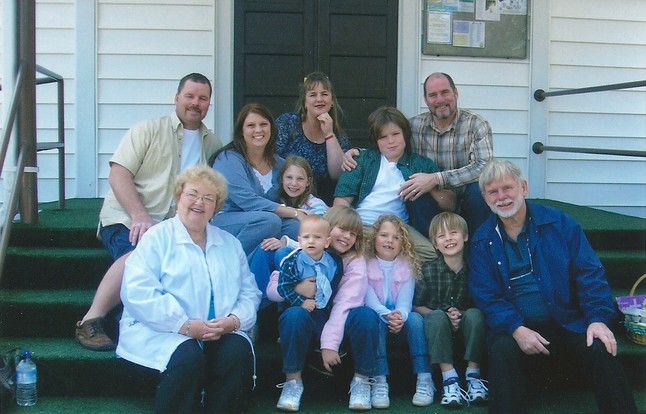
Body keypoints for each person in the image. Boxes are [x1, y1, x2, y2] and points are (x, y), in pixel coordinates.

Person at [468, 159, 637, 414]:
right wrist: (515, 327)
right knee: (501, 350)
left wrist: (597, 318)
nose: (501, 197)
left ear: (523, 187)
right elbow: (486, 295)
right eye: (493, 192)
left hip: (566, 320)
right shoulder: (482, 241)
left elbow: (589, 273)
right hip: (518, 325)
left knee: (600, 344)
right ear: (485, 198)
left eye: (507, 188)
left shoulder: (559, 224)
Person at [75, 73, 223, 351]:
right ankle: (90, 320)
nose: (195, 103)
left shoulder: (212, 144)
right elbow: (118, 174)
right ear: (176, 98)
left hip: (173, 227)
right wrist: (139, 215)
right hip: (128, 218)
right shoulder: (148, 130)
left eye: (202, 98)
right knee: (137, 257)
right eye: (189, 96)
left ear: (209, 104)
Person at [116, 165, 261, 413]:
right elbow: (137, 292)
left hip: (218, 331)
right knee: (187, 356)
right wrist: (184, 325)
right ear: (178, 197)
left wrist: (233, 321)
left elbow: (249, 293)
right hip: (163, 331)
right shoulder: (156, 238)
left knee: (236, 351)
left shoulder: (229, 244)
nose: (199, 203)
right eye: (192, 194)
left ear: (216, 208)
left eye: (208, 198)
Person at [343, 72, 493, 236]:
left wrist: (436, 179)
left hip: (466, 197)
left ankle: (478, 248)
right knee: (416, 197)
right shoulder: (414, 126)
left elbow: (483, 167)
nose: (440, 100)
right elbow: (391, 143)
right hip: (433, 200)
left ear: (455, 93)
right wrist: (358, 153)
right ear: (426, 99)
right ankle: (432, 252)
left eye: (445, 92)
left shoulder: (476, 124)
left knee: (479, 191)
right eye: (433, 95)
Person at [272, 205, 380, 411]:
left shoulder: (355, 262)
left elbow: (344, 305)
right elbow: (275, 285)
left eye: (353, 234)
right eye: (342, 228)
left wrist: (329, 345)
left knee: (366, 315)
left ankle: (361, 382)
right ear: (328, 228)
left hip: (338, 326)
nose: (347, 237)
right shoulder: (305, 248)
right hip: (311, 320)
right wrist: (299, 288)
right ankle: (293, 383)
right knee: (294, 314)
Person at [334, 106, 455, 263]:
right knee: (354, 256)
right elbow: (342, 200)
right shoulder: (363, 159)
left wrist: (431, 184)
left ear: (405, 134)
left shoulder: (420, 164)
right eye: (383, 137)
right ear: (376, 141)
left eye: (396, 134)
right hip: (364, 223)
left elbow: (450, 204)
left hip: (397, 229)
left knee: (430, 253)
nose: (390, 141)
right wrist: (345, 226)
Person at [413, 212, 487, 407]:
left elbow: (483, 302)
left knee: (476, 314)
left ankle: (473, 376)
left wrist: (460, 314)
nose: (448, 239)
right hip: (438, 327)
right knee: (436, 316)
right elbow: (416, 305)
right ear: (435, 244)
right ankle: (449, 379)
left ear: (465, 236)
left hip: (468, 324)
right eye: (441, 236)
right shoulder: (427, 270)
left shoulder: (476, 269)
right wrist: (445, 316)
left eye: (453, 233)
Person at [363, 214, 433, 409]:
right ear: (374, 238)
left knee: (416, 319)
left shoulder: (407, 266)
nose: (389, 241)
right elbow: (369, 300)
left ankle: (424, 378)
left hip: (400, 324)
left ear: (403, 243)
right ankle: (379, 380)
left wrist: (400, 316)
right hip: (379, 320)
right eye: (384, 235)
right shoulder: (365, 264)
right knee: (373, 319)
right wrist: (386, 315)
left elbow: (405, 302)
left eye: (396, 237)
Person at [211, 103, 300, 254]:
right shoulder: (228, 159)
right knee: (268, 221)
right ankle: (230, 263)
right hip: (226, 220)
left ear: (271, 128)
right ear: (241, 131)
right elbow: (247, 200)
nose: (258, 130)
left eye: (263, 124)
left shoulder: (280, 164)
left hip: (265, 222)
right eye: (251, 125)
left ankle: (271, 272)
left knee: (294, 226)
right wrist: (294, 212)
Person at [248, 156, 328, 305]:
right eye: (289, 177)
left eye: (300, 179)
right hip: (287, 251)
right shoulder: (277, 202)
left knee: (280, 252)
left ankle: (275, 305)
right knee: (263, 248)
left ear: (308, 182)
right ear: (281, 179)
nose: (293, 183)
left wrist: (285, 243)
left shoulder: (315, 206)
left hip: (309, 258)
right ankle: (256, 304)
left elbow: (318, 243)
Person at [275, 71, 350, 205]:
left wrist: (329, 134)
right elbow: (270, 158)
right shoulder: (288, 124)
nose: (319, 99)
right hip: (284, 199)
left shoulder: (339, 137)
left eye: (324, 94)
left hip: (319, 205)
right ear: (305, 102)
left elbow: (337, 175)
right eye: (313, 95)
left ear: (332, 101)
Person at [277, 215, 339, 312]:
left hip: (324, 308)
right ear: (300, 241)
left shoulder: (333, 263)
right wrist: (301, 302)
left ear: (327, 242)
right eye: (306, 237)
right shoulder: (292, 262)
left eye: (317, 237)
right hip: (298, 306)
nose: (311, 241)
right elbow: (283, 287)